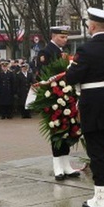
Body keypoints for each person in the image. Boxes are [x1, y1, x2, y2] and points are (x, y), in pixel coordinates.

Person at [65, 8, 104, 207]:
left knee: (96, 151)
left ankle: (99, 198)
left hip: (93, 103)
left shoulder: (86, 49)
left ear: (92, 26)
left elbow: (72, 77)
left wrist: (70, 69)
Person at [37, 26, 79, 180]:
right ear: (54, 36)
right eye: (62, 37)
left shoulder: (63, 53)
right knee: (57, 130)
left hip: (66, 94)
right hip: (53, 96)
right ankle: (57, 167)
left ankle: (66, 165)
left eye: (66, 37)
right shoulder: (45, 52)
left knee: (68, 128)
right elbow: (44, 75)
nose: (65, 40)